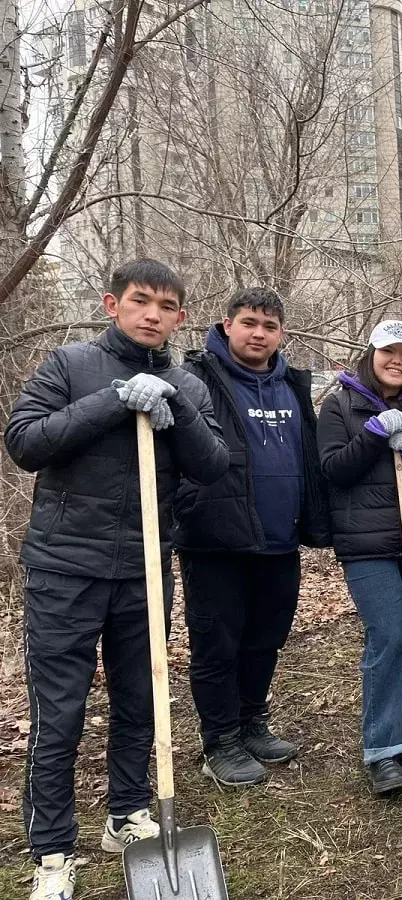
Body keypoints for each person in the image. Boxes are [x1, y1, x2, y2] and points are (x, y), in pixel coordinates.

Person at [4, 259, 228, 900]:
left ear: (181, 317)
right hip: (64, 570)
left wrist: (176, 410)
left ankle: (127, 814)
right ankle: (52, 852)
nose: (152, 314)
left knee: (141, 702)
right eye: (139, 301)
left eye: (166, 305)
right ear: (112, 304)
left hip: (144, 570)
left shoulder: (187, 382)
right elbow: (24, 442)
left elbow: (212, 466)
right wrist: (113, 399)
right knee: (60, 716)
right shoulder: (70, 365)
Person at [174, 287, 331, 787]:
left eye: (269, 326)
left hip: (279, 538)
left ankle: (251, 722)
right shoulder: (197, 379)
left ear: (281, 333)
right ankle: (220, 740)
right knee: (218, 644)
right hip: (216, 539)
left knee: (266, 638)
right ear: (227, 325)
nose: (258, 333)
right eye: (249, 323)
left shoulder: (291, 386)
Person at [317, 321, 402, 794]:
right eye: (388, 352)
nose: (397, 361)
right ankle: (381, 749)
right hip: (367, 545)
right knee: (390, 638)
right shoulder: (340, 405)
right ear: (370, 353)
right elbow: (333, 470)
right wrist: (373, 435)